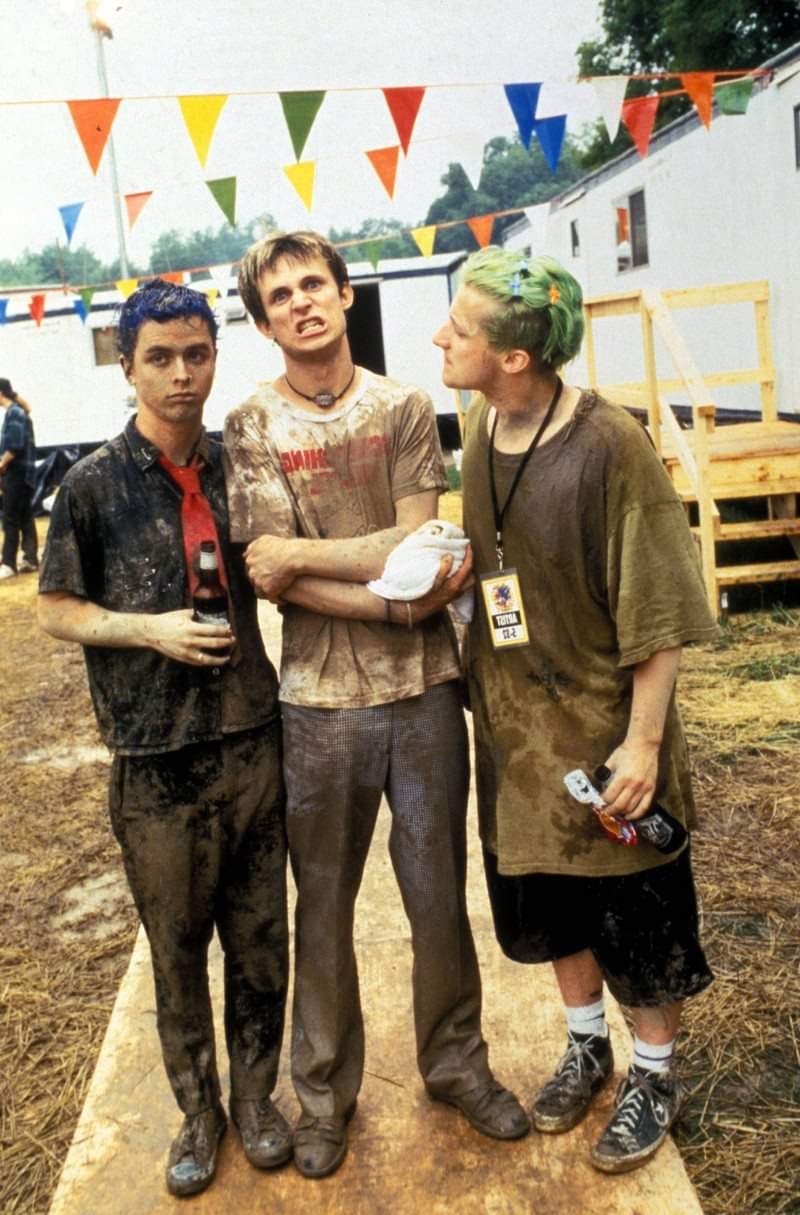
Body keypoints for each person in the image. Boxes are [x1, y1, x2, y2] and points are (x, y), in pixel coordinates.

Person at [224, 230, 528, 1181]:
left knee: (440, 898)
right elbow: (273, 581)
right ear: (265, 319)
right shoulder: (251, 426)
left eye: (315, 283)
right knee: (324, 908)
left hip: (425, 695)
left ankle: (454, 1064)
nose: (302, 303)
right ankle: (323, 1095)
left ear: (347, 293)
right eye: (281, 296)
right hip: (316, 704)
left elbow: (429, 548)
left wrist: (322, 557)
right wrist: (393, 583)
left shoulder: (403, 405)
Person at [433, 247, 717, 1175]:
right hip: (520, 742)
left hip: (606, 735)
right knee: (554, 907)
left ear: (515, 356)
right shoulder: (480, 426)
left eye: (460, 329)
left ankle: (655, 1072)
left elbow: (663, 605)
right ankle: (588, 1044)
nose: (442, 336)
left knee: (638, 918)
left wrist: (641, 744)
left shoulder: (609, 444)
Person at [37, 280, 290, 1199]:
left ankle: (259, 1101)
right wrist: (150, 629)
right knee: (178, 948)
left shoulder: (244, 465)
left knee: (262, 941)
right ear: (127, 363)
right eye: (161, 358)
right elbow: (56, 610)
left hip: (254, 740)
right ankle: (200, 1112)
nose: (183, 375)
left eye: (198, 354)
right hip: (153, 759)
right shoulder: (91, 485)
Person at [0, 377, 39, 578]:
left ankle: (8, 564)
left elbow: (13, 447)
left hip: (16, 473)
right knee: (24, 517)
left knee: (10, 518)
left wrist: (0, 465)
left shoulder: (14, 414)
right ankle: (30, 559)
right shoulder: (17, 412)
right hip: (24, 474)